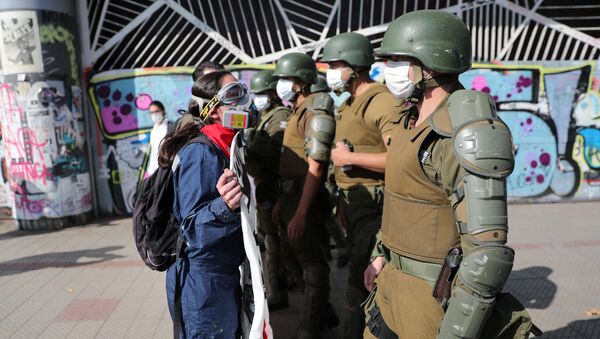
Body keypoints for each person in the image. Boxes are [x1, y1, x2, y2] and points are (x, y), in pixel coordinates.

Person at [363, 10, 531, 339]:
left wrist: (456, 331)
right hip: (389, 287)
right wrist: (380, 256)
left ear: (430, 62)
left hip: (429, 300)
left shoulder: (465, 134)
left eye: (398, 58)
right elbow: (402, 200)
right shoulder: (407, 119)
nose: (389, 68)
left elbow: (487, 256)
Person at [319, 31, 404, 338]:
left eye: (335, 65)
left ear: (354, 65)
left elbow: (401, 159)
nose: (330, 72)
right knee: (360, 278)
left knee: (362, 281)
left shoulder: (381, 102)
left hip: (375, 207)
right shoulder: (351, 102)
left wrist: (348, 158)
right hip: (355, 205)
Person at [161, 70, 249, 338]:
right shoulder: (200, 154)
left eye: (242, 90)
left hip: (221, 275)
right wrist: (224, 205)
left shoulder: (226, 146)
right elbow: (192, 228)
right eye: (233, 94)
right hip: (203, 281)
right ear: (212, 110)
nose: (243, 101)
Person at [272, 52, 337, 338]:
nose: (282, 85)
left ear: (302, 81)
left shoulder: (315, 110)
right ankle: (322, 311)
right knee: (291, 257)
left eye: (288, 79)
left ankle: (311, 326)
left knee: (312, 263)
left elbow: (316, 165)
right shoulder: (298, 109)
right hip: (288, 197)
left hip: (304, 199)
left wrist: (300, 213)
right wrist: (280, 202)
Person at [245, 70, 294, 309]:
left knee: (275, 243)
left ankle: (280, 293)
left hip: (275, 186)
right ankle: (282, 288)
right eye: (257, 94)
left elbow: (276, 150)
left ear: (273, 93)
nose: (259, 98)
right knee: (271, 239)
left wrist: (249, 147)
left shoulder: (280, 116)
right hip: (265, 185)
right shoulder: (264, 116)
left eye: (263, 93)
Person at [146, 101, 173, 176]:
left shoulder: (171, 127)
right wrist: (151, 170)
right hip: (156, 171)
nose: (154, 114)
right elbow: (154, 152)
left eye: (157, 111)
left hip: (169, 169)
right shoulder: (153, 130)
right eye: (151, 112)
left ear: (163, 111)